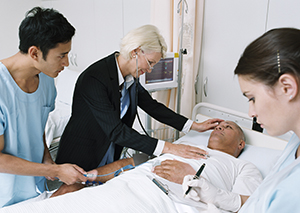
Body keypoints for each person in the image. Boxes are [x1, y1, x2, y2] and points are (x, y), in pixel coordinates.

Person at [55, 24, 223, 172]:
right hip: (82, 153)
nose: (149, 70)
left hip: (109, 152)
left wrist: (193, 126)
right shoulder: (96, 78)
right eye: (150, 63)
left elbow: (152, 107)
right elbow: (116, 131)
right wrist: (169, 148)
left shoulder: (129, 79)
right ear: (135, 51)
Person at [0, 7, 89, 208]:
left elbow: (37, 127)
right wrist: (55, 171)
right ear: (34, 53)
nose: (66, 63)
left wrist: (48, 160)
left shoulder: (47, 79)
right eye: (61, 55)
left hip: (36, 188)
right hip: (4, 198)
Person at [230, 27, 300, 212]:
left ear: (287, 87)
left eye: (252, 98)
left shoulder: (294, 194)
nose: (250, 112)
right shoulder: (296, 141)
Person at [153, 120, 262, 212]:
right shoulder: (185, 146)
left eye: (227, 127)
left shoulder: (243, 167)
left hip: (171, 203)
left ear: (240, 144)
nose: (219, 128)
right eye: (218, 127)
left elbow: (248, 207)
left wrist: (195, 179)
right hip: (141, 180)